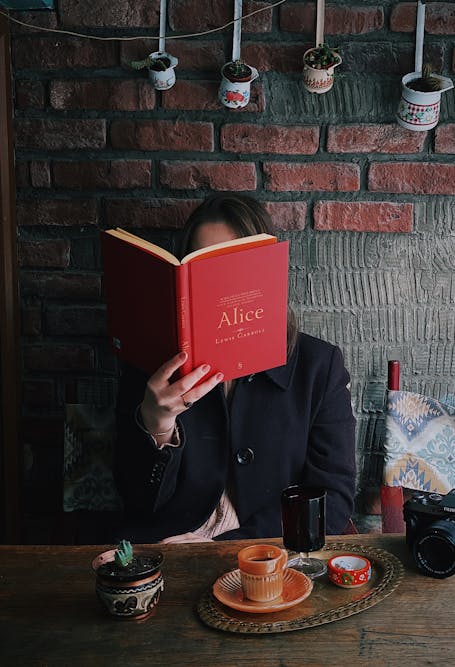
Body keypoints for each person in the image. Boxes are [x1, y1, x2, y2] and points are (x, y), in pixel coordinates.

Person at [114, 194, 356, 543]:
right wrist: (157, 425)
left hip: (271, 557)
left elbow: (331, 502)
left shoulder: (319, 367)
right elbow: (134, 500)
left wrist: (225, 549)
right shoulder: (152, 364)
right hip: (169, 551)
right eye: (204, 270)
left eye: (233, 265)